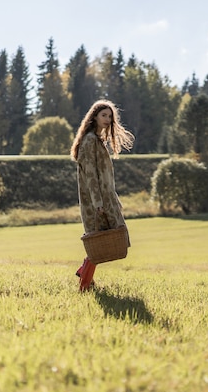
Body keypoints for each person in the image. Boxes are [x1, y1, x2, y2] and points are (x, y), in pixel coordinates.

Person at [70, 99, 135, 291]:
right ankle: (84, 283)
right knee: (98, 241)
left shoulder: (98, 140)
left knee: (102, 239)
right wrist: (98, 202)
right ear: (94, 117)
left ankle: (85, 274)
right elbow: (90, 174)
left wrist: (113, 198)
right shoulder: (90, 140)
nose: (107, 119)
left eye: (110, 116)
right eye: (103, 115)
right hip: (96, 201)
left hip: (105, 199)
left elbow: (104, 177)